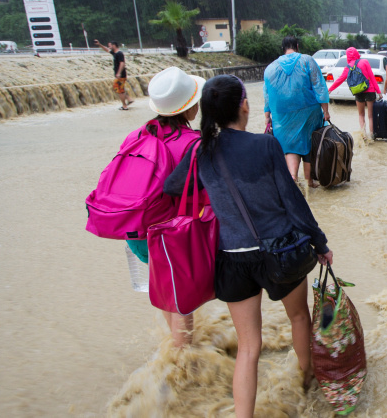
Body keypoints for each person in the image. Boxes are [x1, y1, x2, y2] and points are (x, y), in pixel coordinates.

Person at [164, 75, 334, 418]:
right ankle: (306, 383)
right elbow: (292, 202)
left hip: (232, 260)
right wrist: (320, 242)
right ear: (244, 105)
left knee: (248, 347)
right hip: (280, 253)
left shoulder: (200, 151)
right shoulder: (265, 145)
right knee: (299, 317)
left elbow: (172, 186)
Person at [124, 66, 205, 347]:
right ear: (189, 108)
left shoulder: (137, 136)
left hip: (136, 234)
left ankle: (175, 348)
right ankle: (183, 362)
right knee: (182, 301)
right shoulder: (193, 143)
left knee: (166, 290)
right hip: (171, 237)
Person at [264, 36, 330, 188]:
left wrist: (267, 116)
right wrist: (325, 111)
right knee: (308, 143)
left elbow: (267, 94)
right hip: (309, 111)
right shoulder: (307, 61)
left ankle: (293, 177)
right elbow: (319, 86)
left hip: (281, 116)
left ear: (283, 48)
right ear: (297, 46)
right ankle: (309, 181)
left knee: (290, 145)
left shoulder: (270, 68)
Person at [328, 47, 383, 139]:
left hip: (357, 91)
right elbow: (372, 77)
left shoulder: (348, 67)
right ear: (356, 53)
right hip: (369, 90)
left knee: (361, 115)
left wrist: (330, 89)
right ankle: (372, 135)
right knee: (371, 116)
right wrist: (379, 92)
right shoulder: (364, 62)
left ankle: (364, 136)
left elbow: (340, 79)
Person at [94, 39, 134, 110]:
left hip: (120, 75)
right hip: (120, 75)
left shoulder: (119, 53)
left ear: (114, 45)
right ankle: (129, 99)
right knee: (118, 89)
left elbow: (122, 63)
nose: (109, 47)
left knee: (119, 90)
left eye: (110, 46)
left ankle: (124, 106)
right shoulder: (115, 53)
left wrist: (119, 73)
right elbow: (107, 50)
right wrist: (99, 44)